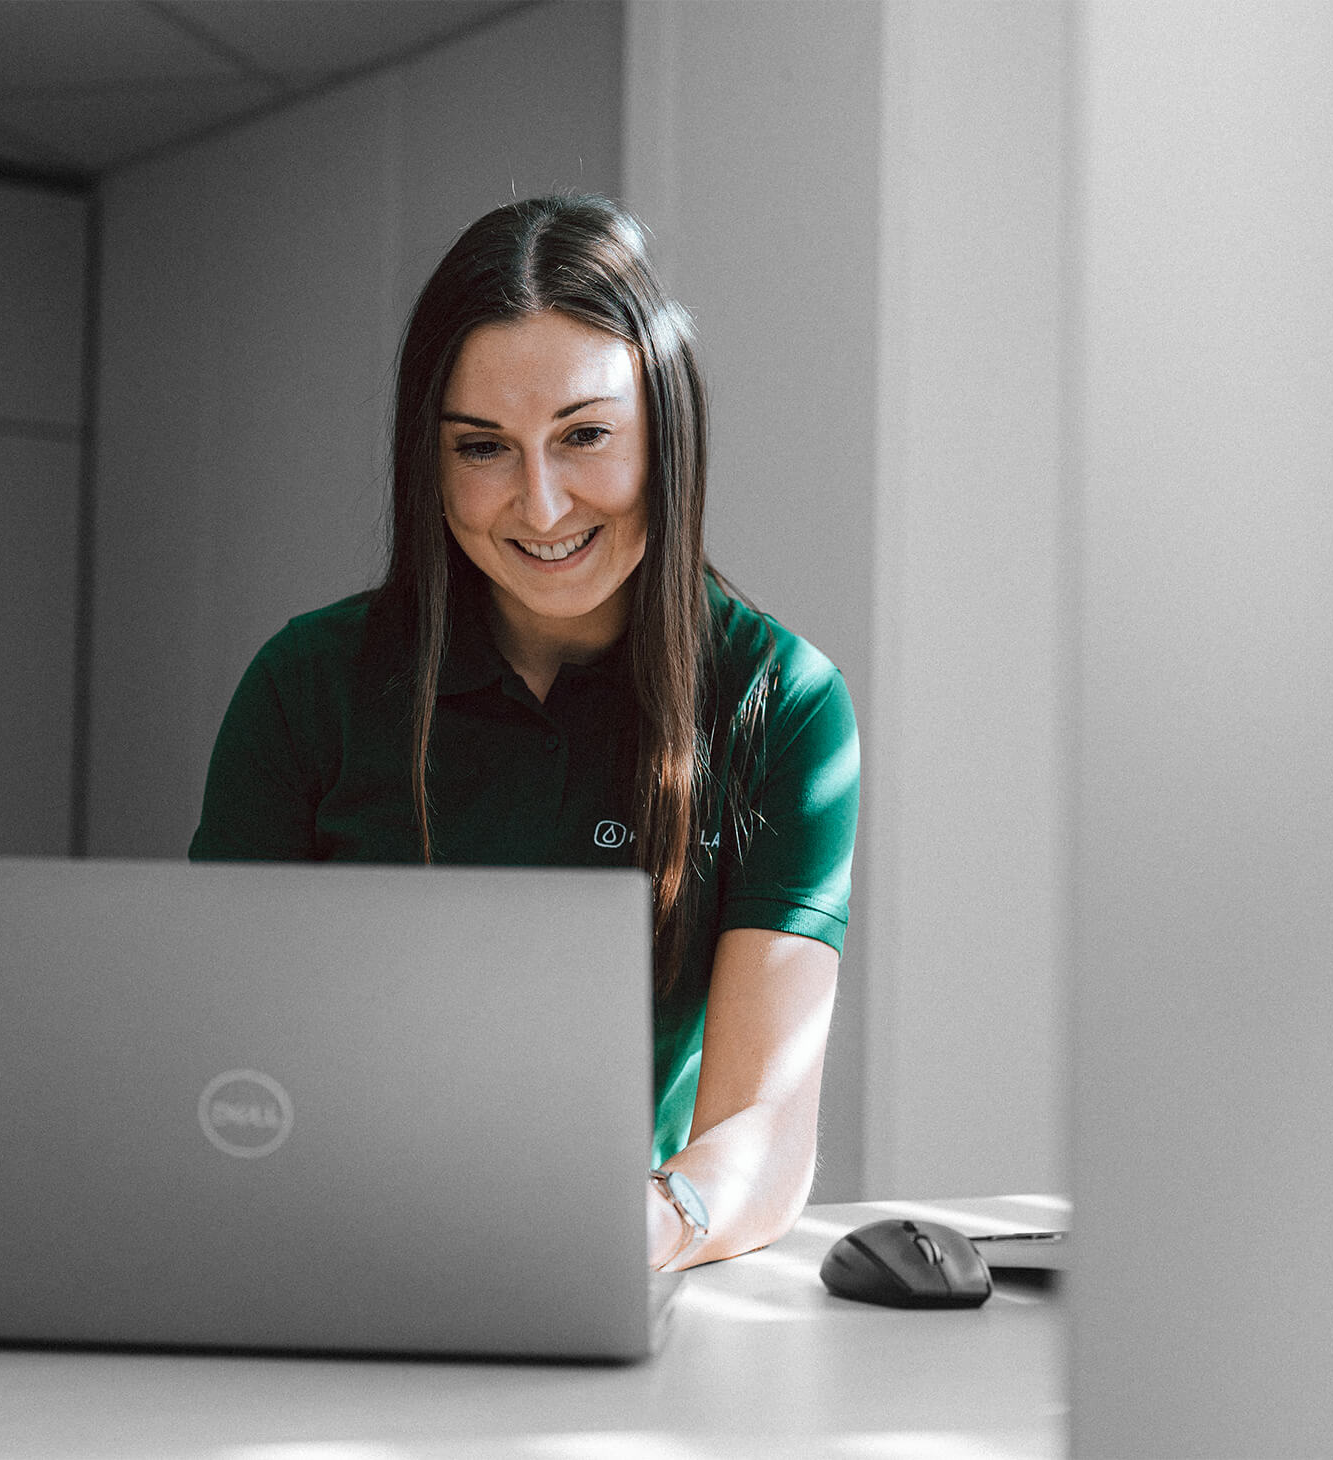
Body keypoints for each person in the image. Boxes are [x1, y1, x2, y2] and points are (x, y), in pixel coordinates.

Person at [190, 194, 858, 1271]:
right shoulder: (305, 684)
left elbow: (765, 1134)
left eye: (586, 435)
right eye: (484, 448)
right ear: (429, 459)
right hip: (320, 1253)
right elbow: (214, 1067)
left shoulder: (780, 702)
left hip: (606, 1258)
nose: (540, 506)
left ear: (667, 434)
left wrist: (638, 1227)